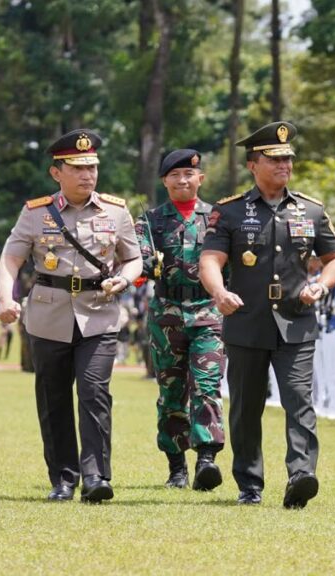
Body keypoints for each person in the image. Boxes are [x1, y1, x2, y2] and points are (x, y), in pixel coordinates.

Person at [199, 121, 335, 508]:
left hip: (296, 322)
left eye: (288, 159)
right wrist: (219, 291)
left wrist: (322, 284)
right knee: (247, 407)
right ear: (253, 164)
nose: (284, 165)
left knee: (299, 399)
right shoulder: (229, 212)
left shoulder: (310, 210)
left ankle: (301, 475)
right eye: (275, 158)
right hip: (247, 322)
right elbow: (210, 260)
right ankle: (250, 484)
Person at [0, 128, 142, 503]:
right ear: (56, 172)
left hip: (99, 314)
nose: (87, 175)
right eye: (77, 167)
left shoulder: (116, 211)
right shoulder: (35, 213)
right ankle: (63, 478)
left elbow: (133, 257)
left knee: (94, 393)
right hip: (48, 314)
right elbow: (10, 259)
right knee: (53, 397)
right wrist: (5, 299)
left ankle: (96, 478)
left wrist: (123, 280)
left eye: (91, 166)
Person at [136, 148, 226, 491]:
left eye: (189, 174)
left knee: (207, 386)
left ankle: (206, 460)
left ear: (200, 178)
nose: (182, 180)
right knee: (172, 392)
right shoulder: (151, 221)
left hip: (207, 313)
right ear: (165, 181)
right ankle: (177, 466)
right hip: (167, 315)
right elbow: (142, 262)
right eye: (175, 175)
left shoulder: (219, 218)